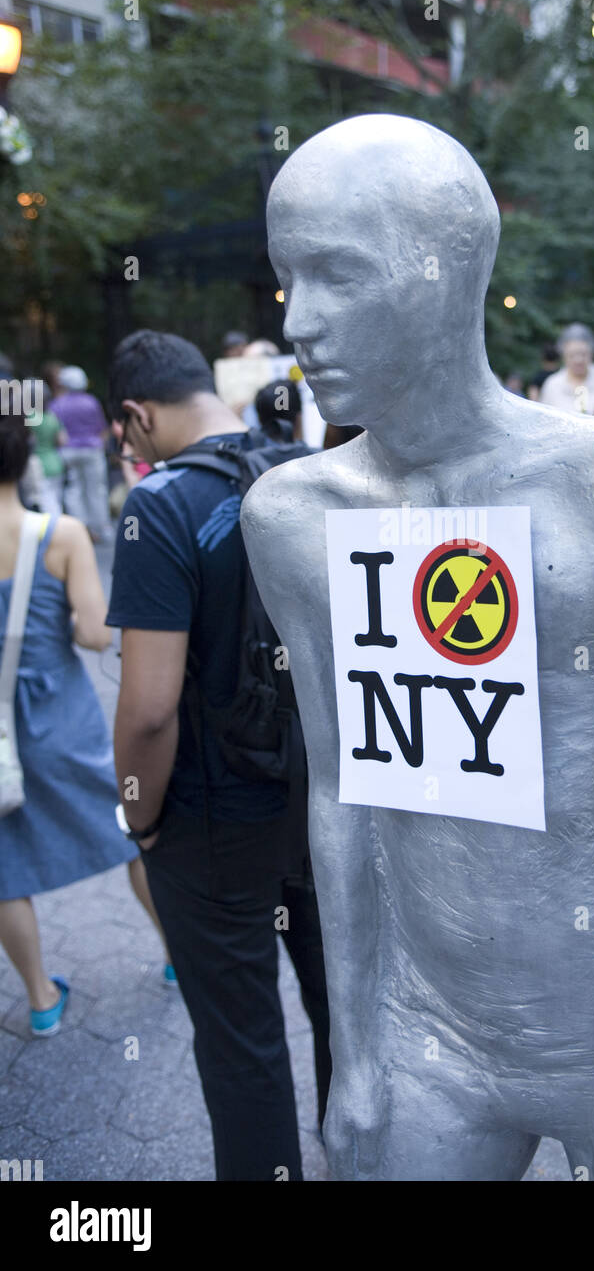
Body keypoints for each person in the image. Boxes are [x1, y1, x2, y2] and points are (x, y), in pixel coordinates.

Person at [243, 113, 594, 1181]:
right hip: (430, 1033)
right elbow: (343, 793)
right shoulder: (293, 515)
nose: (299, 323)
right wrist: (356, 1057)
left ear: (441, 274)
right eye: (288, 279)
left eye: (336, 275)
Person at [106, 329, 330, 1182]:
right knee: (344, 1015)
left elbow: (152, 708)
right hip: (322, 804)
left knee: (243, 1052)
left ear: (135, 415)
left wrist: (142, 815)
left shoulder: (159, 504)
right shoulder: (306, 470)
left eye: (126, 438)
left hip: (210, 822)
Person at [0, 413, 166, 1036]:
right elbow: (97, 633)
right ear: (25, 459)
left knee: (4, 867)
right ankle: (178, 959)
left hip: (0, 737)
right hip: (60, 718)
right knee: (127, 832)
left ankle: (41, 1000)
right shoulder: (60, 534)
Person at [49, 365, 111, 543]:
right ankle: (101, 527)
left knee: (73, 490)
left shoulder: (57, 404)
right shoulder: (91, 402)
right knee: (96, 489)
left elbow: (56, 432)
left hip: (68, 451)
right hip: (92, 450)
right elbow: (102, 429)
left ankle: (81, 528)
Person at [538, 323, 594, 415]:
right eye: (572, 355)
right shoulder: (552, 384)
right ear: (563, 356)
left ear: (591, 353)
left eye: (583, 354)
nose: (578, 360)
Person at [30, 390, 66, 518]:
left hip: (38, 466)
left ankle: (53, 532)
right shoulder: (52, 417)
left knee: (46, 504)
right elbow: (62, 441)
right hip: (56, 463)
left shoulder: (30, 418)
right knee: (56, 501)